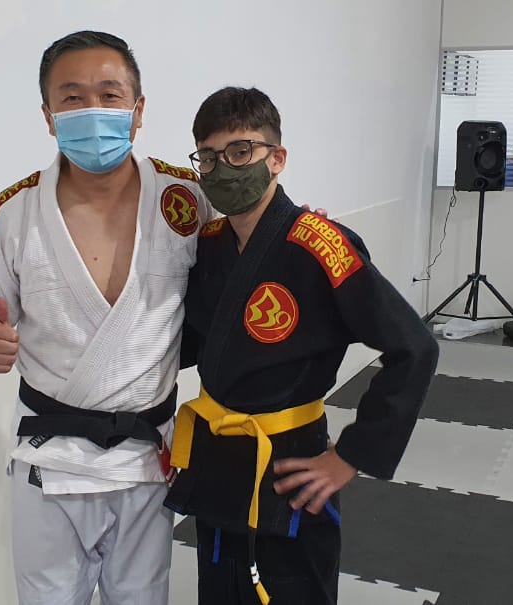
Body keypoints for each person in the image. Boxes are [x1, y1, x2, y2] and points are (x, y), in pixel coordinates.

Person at [0, 31, 214, 605]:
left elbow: (249, 248)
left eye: (110, 94)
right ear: (48, 116)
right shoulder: (17, 211)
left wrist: (294, 227)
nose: (93, 110)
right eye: (72, 97)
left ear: (138, 110)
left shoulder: (186, 198)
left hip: (147, 459)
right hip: (50, 461)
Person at [165, 87, 441, 605]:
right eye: (209, 156)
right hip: (218, 459)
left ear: (277, 158)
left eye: (241, 151)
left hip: (290, 463)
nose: (224, 167)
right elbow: (198, 342)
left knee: (291, 588)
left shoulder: (321, 243)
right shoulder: (209, 244)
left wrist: (351, 455)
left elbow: (414, 348)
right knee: (221, 588)